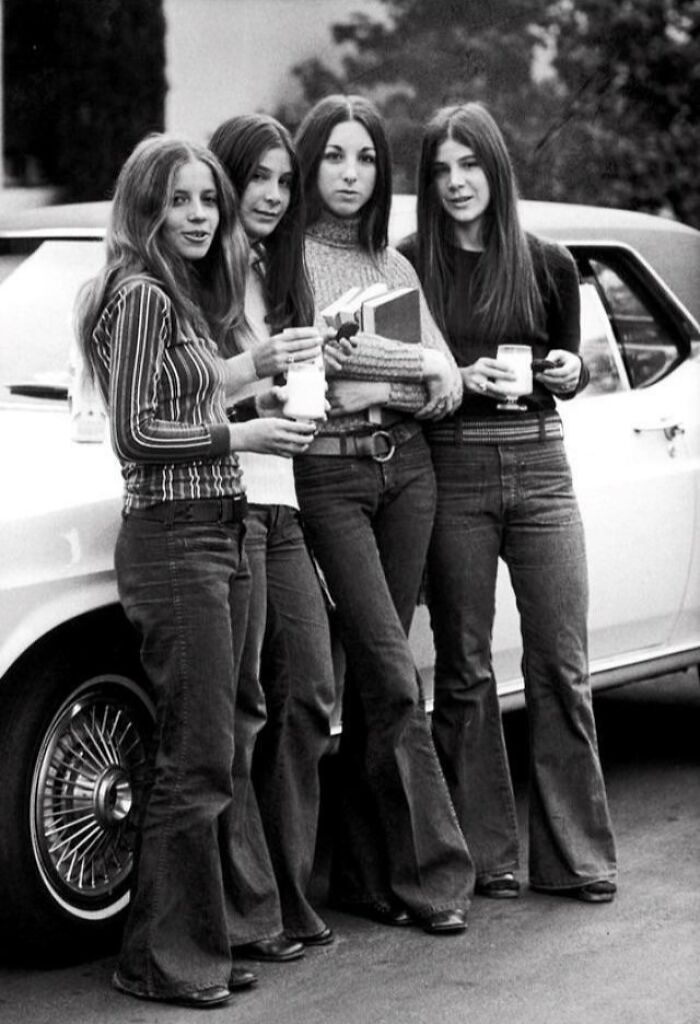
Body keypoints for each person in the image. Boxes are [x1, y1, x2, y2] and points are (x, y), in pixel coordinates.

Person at [75, 134, 318, 1008]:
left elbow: (188, 386)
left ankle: (190, 947)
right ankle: (163, 960)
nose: (200, 216)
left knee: (207, 751)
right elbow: (137, 433)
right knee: (198, 754)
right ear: (145, 209)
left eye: (206, 201)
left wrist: (257, 365)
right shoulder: (139, 293)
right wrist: (243, 433)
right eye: (180, 201)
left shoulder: (170, 293)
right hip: (177, 536)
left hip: (216, 527)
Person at [399, 102, 617, 903]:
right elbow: (398, 380)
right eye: (442, 171)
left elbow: (571, 363)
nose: (457, 183)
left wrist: (569, 372)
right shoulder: (408, 263)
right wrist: (454, 384)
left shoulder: (550, 262)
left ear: (496, 169)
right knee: (463, 668)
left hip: (541, 464)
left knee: (561, 662)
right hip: (452, 468)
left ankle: (578, 858)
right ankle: (488, 857)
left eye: (470, 166)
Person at [292, 93, 475, 934]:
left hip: (410, 477)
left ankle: (363, 877)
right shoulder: (287, 259)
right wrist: (413, 368)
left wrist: (394, 378)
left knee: (378, 688)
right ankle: (436, 877)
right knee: (396, 674)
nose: (351, 174)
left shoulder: (395, 267)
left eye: (365, 159)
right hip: (330, 483)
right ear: (310, 162)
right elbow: (320, 366)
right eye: (335, 156)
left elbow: (451, 385)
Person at [208, 113, 337, 948]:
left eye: (285, 181)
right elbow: (176, 398)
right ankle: (248, 910)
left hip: (283, 501)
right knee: (242, 712)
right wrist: (256, 392)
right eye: (258, 177)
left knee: (312, 694)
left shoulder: (279, 275)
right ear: (226, 181)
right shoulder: (197, 276)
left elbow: (304, 387)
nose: (273, 194)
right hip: (228, 499)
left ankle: (286, 890)